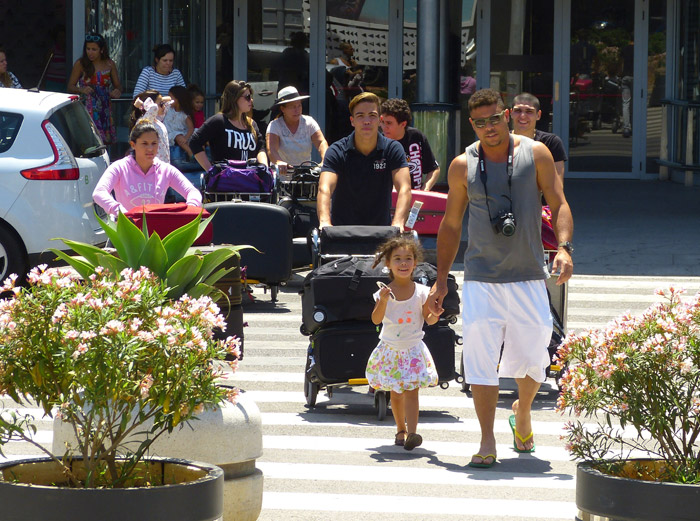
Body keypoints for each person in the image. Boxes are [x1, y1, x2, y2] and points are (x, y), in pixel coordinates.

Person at [427, 89, 574, 468]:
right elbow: (451, 224)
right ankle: (487, 438)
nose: (489, 127)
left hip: (527, 275)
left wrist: (563, 248)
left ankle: (522, 409)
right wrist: (441, 281)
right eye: (480, 122)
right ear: (471, 124)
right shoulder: (462, 165)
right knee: (480, 360)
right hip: (480, 278)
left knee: (534, 356)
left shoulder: (535, 153)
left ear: (507, 115)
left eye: (495, 118)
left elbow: (558, 203)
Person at [365, 236, 439, 451]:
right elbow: (376, 320)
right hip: (390, 350)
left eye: (408, 258)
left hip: (413, 349)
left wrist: (435, 312)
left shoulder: (422, 292)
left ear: (415, 263)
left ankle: (413, 432)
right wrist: (383, 301)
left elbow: (429, 319)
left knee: (412, 391)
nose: (403, 263)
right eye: (397, 259)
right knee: (396, 393)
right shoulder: (383, 292)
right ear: (388, 263)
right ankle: (400, 429)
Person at [317, 92, 412, 229]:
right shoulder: (336, 150)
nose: (366, 121)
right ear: (352, 121)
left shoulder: (393, 149)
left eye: (372, 116)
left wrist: (398, 224)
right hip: (342, 234)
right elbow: (324, 189)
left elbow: (404, 188)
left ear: (380, 120)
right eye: (360, 116)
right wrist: (325, 222)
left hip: (381, 234)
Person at [93, 120, 202, 217]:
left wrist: (191, 207)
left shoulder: (166, 170)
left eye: (154, 143)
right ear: (133, 144)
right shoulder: (119, 167)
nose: (150, 148)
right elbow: (99, 192)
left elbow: (192, 191)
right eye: (144, 143)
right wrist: (120, 212)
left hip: (155, 233)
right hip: (126, 233)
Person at [189, 80, 268, 171]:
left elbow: (260, 148)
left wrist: (264, 168)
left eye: (251, 96)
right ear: (234, 98)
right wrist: (210, 170)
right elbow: (194, 142)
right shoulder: (219, 121)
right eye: (247, 97)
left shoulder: (252, 124)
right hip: (226, 181)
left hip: (249, 179)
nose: (251, 100)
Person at [67, 33, 122, 144]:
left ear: (101, 50)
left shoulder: (109, 64)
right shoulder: (80, 64)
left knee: (105, 141)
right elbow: (70, 86)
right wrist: (81, 90)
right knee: (90, 138)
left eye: (94, 49)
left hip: (104, 107)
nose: (90, 52)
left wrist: (117, 91)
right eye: (88, 49)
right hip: (87, 107)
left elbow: (118, 85)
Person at [380, 98, 440, 191]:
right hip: (389, 201)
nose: (384, 127)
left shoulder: (416, 136)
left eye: (389, 123)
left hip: (415, 199)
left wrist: (425, 190)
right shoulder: (379, 144)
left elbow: (434, 169)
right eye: (382, 122)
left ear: (403, 124)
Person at [266, 86, 328, 171]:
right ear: (283, 109)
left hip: (305, 174)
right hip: (282, 175)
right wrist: (279, 162)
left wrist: (325, 160)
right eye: (292, 107)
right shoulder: (275, 125)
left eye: (299, 105)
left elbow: (321, 142)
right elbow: (271, 149)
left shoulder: (309, 122)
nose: (297, 110)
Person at [511, 92, 567, 185]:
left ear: (538, 115)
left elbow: (557, 185)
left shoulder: (551, 143)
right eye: (518, 111)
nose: (523, 116)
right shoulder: (501, 141)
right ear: (511, 113)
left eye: (529, 111)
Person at [131, 90, 171, 163]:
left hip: (164, 164)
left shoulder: (157, 120)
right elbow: (154, 108)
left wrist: (160, 100)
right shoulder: (145, 120)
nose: (164, 106)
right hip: (152, 165)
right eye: (161, 104)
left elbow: (170, 99)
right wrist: (142, 105)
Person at [162, 85, 195, 164]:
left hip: (183, 133)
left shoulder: (184, 114)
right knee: (177, 135)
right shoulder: (167, 109)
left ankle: (197, 153)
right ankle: (190, 152)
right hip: (170, 134)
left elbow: (191, 128)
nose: (169, 99)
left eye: (171, 97)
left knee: (196, 133)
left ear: (178, 99)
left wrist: (186, 138)